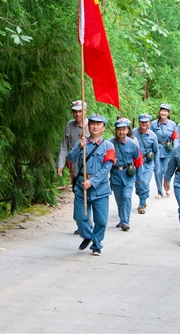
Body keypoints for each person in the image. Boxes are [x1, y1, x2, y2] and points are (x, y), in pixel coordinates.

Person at [68, 114, 115, 256]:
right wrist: (78, 148)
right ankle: (88, 236)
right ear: (88, 126)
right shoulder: (82, 142)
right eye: (92, 123)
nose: (95, 126)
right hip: (82, 186)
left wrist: (92, 182)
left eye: (98, 124)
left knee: (101, 220)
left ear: (103, 127)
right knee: (79, 216)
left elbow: (107, 167)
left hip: (100, 188)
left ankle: (97, 244)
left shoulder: (108, 146)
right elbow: (71, 158)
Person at [56, 100, 89, 235]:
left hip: (89, 169)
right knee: (78, 197)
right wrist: (60, 163)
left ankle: (86, 226)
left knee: (88, 198)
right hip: (75, 169)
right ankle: (81, 223)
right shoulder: (69, 126)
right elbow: (64, 145)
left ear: (85, 111)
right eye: (75, 111)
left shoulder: (92, 125)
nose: (77, 114)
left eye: (80, 111)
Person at [109, 119, 144, 231]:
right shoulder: (110, 143)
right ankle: (122, 218)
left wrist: (139, 177)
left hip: (128, 175)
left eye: (124, 129)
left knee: (127, 196)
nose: (121, 132)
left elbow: (138, 160)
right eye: (119, 129)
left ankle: (125, 222)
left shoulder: (132, 144)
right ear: (116, 130)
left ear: (127, 130)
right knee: (119, 200)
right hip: (115, 175)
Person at [150, 103, 178, 198]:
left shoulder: (173, 124)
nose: (163, 113)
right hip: (157, 149)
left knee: (167, 170)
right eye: (162, 110)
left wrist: (175, 149)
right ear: (159, 112)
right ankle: (159, 191)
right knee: (157, 171)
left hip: (168, 150)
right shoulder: (154, 124)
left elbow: (175, 138)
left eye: (166, 111)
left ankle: (167, 186)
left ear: (168, 113)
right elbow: (150, 137)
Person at [133, 113, 159, 214]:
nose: (144, 124)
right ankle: (141, 196)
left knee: (145, 183)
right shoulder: (133, 133)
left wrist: (157, 167)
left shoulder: (153, 136)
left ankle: (142, 204)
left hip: (148, 163)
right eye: (142, 122)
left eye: (146, 122)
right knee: (138, 184)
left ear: (149, 123)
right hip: (136, 163)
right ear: (139, 122)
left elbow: (156, 151)